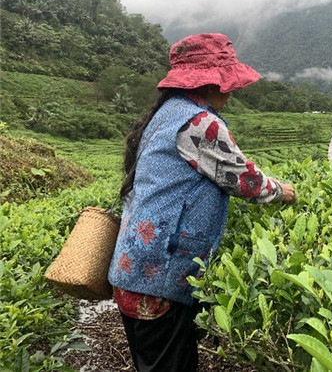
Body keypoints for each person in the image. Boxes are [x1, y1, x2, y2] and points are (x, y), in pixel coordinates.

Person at [107, 33, 297, 371]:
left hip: (131, 268)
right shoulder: (199, 122)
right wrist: (282, 191)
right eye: (226, 85)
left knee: (149, 362)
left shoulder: (165, 112)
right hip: (159, 278)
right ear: (211, 83)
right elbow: (244, 179)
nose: (230, 92)